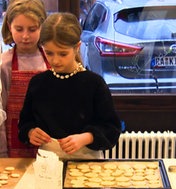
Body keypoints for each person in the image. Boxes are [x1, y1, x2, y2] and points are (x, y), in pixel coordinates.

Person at [18, 12, 121, 159]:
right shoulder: (38, 83)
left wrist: (86, 137)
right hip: (47, 162)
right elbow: (25, 123)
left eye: (62, 54)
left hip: (87, 160)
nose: (55, 60)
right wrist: (30, 132)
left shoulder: (94, 84)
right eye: (49, 53)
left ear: (77, 47)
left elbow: (111, 129)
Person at [0, 0, 49, 158]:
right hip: (14, 143)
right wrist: (2, 154)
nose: (25, 36)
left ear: (42, 26)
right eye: (19, 29)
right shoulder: (4, 64)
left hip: (49, 140)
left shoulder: (52, 60)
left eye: (32, 29)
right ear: (9, 26)